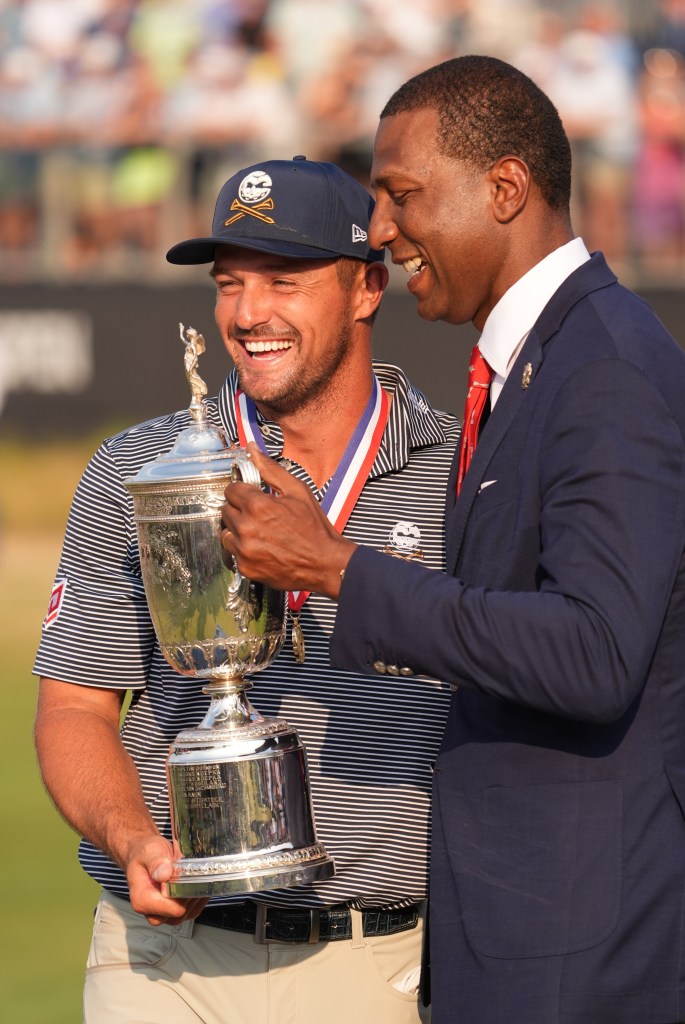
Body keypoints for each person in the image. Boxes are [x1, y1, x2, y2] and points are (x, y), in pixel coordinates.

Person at [219, 58, 685, 1024]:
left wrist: (336, 567)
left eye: (401, 194)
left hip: (576, 950)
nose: (381, 229)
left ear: (504, 188)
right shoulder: (540, 358)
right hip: (519, 930)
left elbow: (593, 653)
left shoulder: (602, 370)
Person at [33, 155, 460, 1024]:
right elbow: (74, 709)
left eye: (284, 279)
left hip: (379, 962)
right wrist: (129, 841)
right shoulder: (137, 472)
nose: (248, 313)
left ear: (366, 288)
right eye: (229, 284)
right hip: (163, 962)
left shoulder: (463, 472)